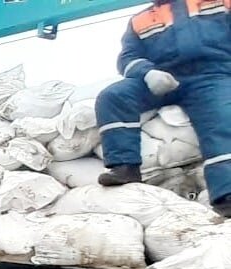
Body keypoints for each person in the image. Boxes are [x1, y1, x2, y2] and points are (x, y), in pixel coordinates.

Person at [95, 0, 230, 217]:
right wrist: (147, 73)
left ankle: (227, 194)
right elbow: (128, 57)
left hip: (214, 75)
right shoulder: (140, 19)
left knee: (223, 120)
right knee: (113, 96)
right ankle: (124, 167)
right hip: (162, 79)